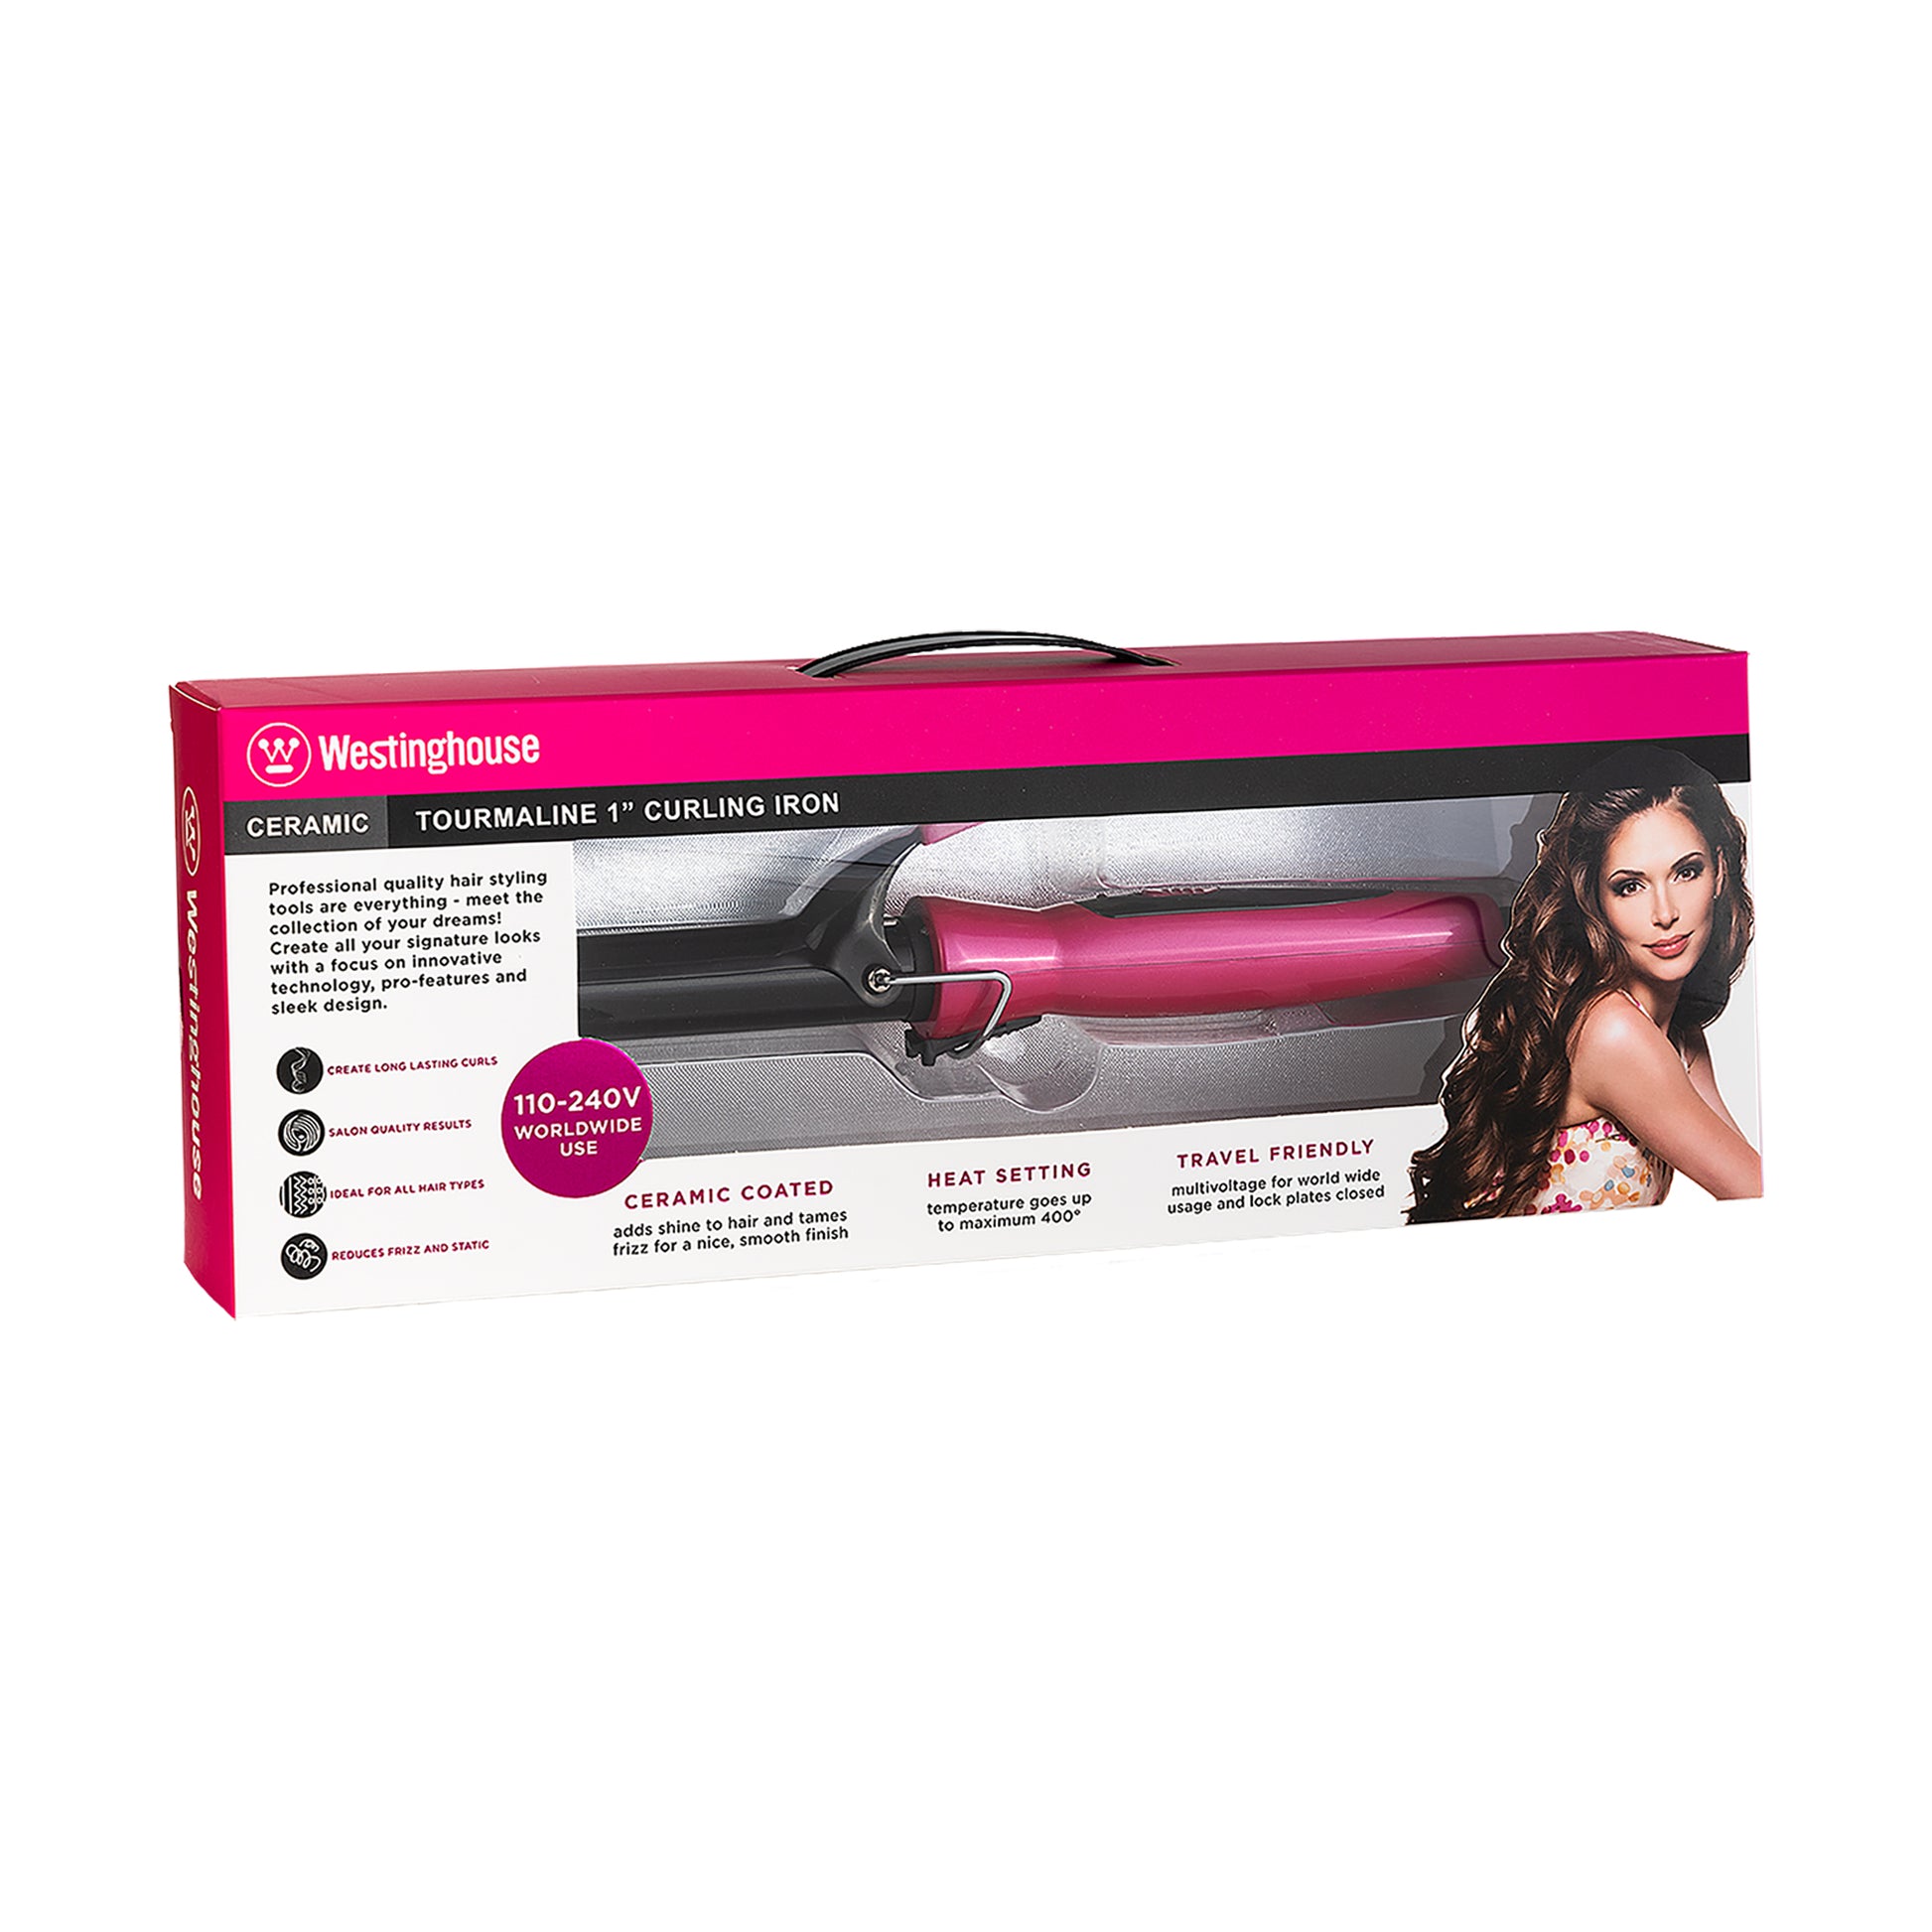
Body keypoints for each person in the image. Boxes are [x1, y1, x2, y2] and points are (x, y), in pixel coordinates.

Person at [1408, 749, 1759, 1219]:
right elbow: (1753, 1190)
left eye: (1685, 872)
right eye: (1630, 886)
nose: (1665, 913)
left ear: (1719, 871)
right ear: (1593, 897)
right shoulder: (1613, 1030)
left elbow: (1754, 1181)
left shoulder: (1677, 1034)